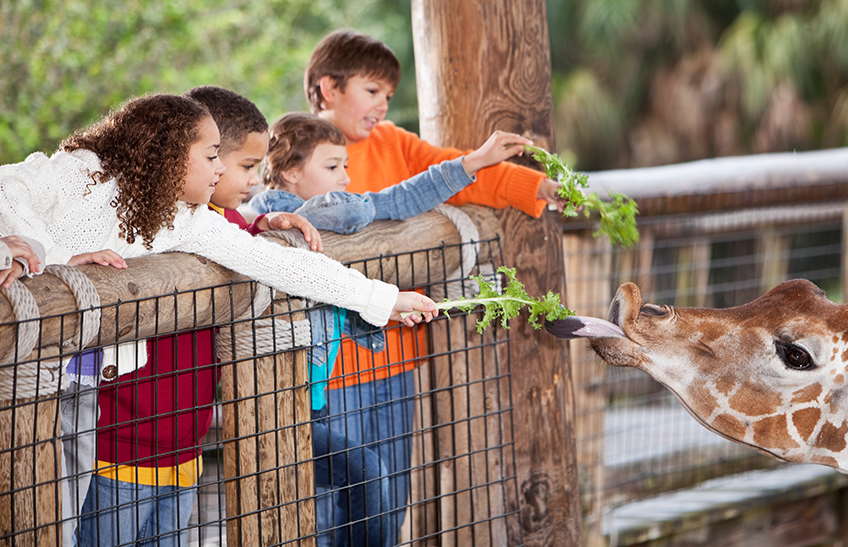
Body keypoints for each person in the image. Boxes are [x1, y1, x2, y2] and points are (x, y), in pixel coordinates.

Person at [0, 93, 437, 547]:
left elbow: (279, 264)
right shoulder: (83, 171)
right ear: (169, 153)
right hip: (43, 398)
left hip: (92, 403)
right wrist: (52, 258)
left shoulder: (186, 218)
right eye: (211, 156)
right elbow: (7, 187)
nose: (220, 170)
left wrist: (383, 298)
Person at [302, 28, 567, 539]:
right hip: (328, 371)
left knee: (389, 499)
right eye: (372, 91)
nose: (382, 105)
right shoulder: (298, 149)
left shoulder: (395, 144)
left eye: (388, 96)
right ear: (329, 88)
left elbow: (463, 172)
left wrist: (536, 185)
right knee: (332, 506)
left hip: (397, 359)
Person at [248, 111, 533, 544]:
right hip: (282, 397)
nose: (346, 178)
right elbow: (376, 206)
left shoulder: (304, 213)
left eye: (345, 166)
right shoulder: (292, 217)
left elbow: (390, 201)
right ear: (288, 172)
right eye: (332, 168)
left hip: (314, 391)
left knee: (362, 489)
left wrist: (473, 163)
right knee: (333, 502)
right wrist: (466, 165)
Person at [185, 86, 400, 546]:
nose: (249, 178)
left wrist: (259, 224)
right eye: (244, 166)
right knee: (364, 474)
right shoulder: (239, 216)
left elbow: (243, 222)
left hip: (304, 403)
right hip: (260, 405)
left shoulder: (241, 221)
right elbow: (299, 235)